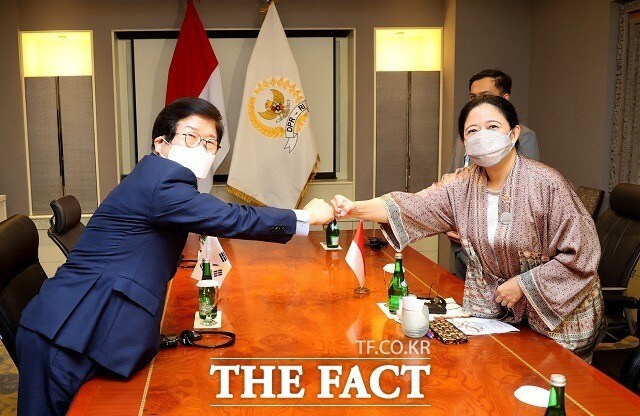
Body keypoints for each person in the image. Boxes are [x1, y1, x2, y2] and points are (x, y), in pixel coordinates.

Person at [16, 97, 334, 415]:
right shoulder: (162, 181)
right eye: (191, 136)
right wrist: (304, 218)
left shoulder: (156, 177)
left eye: (210, 143)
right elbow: (231, 217)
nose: (201, 148)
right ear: (161, 143)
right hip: (68, 334)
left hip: (81, 327)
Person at [332, 95, 604, 362]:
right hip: (507, 315)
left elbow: (583, 254)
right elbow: (413, 206)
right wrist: (351, 208)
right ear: (464, 142)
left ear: (513, 133)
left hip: (560, 318)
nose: (483, 135)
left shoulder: (547, 183)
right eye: (473, 131)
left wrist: (524, 285)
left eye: (493, 127)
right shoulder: (461, 184)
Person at [448, 69, 540, 280]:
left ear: (504, 98)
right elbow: (451, 184)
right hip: (461, 246)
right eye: (473, 97)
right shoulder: (466, 136)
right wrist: (450, 224)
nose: (477, 102)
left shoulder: (524, 137)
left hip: (497, 251)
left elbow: (524, 195)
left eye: (485, 96)